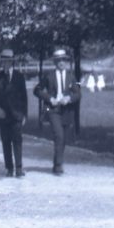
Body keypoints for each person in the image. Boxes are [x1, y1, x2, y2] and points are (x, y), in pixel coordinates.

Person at [33, 47, 81, 175]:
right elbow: (37, 90)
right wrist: (49, 98)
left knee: (63, 139)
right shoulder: (49, 76)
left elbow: (78, 94)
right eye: (58, 60)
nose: (61, 63)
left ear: (66, 61)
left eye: (63, 60)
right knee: (59, 135)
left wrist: (69, 98)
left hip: (67, 110)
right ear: (55, 62)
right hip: (53, 109)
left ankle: (56, 164)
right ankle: (59, 165)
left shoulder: (71, 76)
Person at [0, 48, 28, 178]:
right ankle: (9, 168)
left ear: (12, 62)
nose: (6, 64)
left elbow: (24, 97)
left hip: (17, 114)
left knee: (17, 141)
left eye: (9, 61)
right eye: (4, 61)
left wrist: (24, 114)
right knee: (6, 141)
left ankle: (19, 168)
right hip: (3, 115)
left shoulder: (19, 77)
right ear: (2, 63)